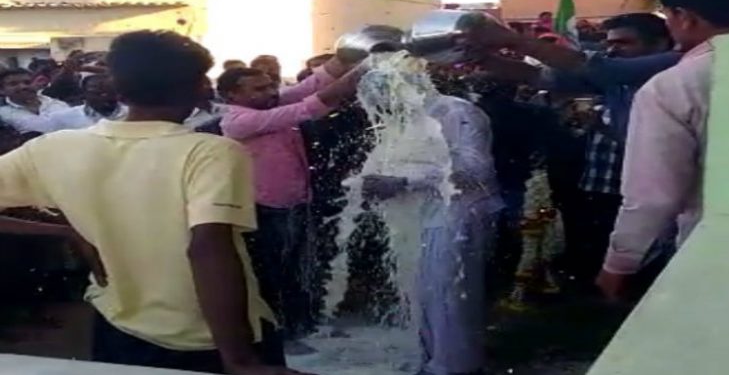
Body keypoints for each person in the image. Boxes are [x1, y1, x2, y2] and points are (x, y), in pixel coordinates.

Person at [0, 30, 311, 375]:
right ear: (199, 88)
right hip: (210, 336)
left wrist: (66, 232)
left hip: (117, 328)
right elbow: (208, 247)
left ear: (118, 88)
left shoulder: (54, 148)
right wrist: (239, 358)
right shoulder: (209, 151)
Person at [596, 0, 729, 300]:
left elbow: (652, 196)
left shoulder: (675, 86)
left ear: (685, 17)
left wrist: (619, 264)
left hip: (723, 256)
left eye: (666, 13)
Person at [477, 13, 681, 284]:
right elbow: (540, 76)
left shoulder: (674, 64)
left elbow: (599, 69)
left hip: (661, 194)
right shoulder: (618, 81)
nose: (612, 50)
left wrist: (510, 39)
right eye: (609, 42)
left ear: (660, 44)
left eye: (624, 43)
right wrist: (481, 59)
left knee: (650, 271)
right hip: (612, 188)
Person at [362, 70, 504, 375]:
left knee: (448, 293)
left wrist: (403, 182)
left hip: (460, 212)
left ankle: (455, 366)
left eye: (385, 98)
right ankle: (431, 359)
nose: (383, 107)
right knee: (422, 292)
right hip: (421, 215)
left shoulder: (456, 112)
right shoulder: (403, 118)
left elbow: (474, 170)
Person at [219, 59, 363, 341]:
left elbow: (311, 85)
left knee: (301, 268)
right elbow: (310, 105)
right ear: (232, 95)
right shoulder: (238, 121)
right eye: (258, 89)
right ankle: (278, 334)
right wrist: (363, 69)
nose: (270, 92)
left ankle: (303, 326)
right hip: (264, 209)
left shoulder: (269, 105)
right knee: (272, 274)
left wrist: (343, 58)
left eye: (270, 86)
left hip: (296, 202)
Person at [0, 68, 70, 134]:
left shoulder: (58, 104)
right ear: (2, 90)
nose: (23, 87)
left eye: (27, 82)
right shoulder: (3, 115)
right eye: (13, 84)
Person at [49, 74, 127, 130]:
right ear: (84, 93)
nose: (104, 97)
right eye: (97, 93)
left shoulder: (130, 115)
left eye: (110, 92)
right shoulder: (63, 117)